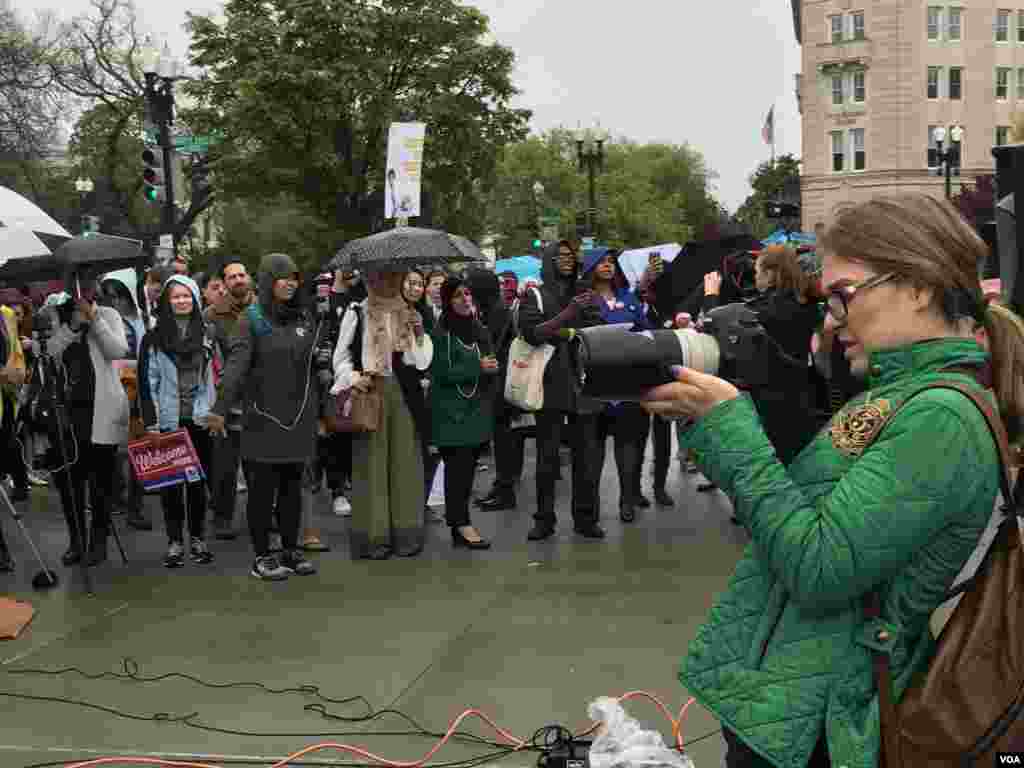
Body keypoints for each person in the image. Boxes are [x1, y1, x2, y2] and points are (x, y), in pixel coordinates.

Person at [641, 193, 1024, 768]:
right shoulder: (899, 396)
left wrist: (734, 433)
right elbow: (806, 499)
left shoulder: (939, 417)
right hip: (793, 705)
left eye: (844, 296)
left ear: (919, 286)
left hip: (822, 724)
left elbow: (820, 566)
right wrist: (717, 416)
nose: (832, 318)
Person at [210, 253, 321, 581]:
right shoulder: (252, 319)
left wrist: (321, 358)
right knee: (261, 492)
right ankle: (262, 556)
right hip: (262, 420)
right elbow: (235, 369)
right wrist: (219, 409)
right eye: (283, 277)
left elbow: (309, 365)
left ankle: (289, 548)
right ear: (269, 280)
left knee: (291, 490)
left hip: (297, 420)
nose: (289, 283)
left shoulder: (304, 317)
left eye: (294, 277)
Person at [331, 267, 433, 560]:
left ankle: (406, 536)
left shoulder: (410, 311)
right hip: (371, 392)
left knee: (406, 462)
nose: (385, 281)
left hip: (404, 394)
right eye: (379, 277)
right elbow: (341, 357)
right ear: (369, 280)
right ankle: (374, 538)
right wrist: (353, 378)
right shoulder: (357, 311)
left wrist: (419, 331)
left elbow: (421, 361)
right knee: (371, 464)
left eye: (391, 277)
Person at [517, 240, 606, 541]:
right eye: (561, 256)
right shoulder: (536, 295)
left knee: (586, 456)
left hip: (583, 384)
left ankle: (585, 518)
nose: (568, 260)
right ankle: (544, 519)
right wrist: (569, 315)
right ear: (549, 260)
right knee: (548, 458)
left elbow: (596, 329)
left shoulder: (585, 291)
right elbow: (533, 334)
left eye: (571, 256)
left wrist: (572, 327)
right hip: (550, 383)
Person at [46, 280, 130, 566]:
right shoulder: (60, 314)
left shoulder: (109, 314)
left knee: (101, 483)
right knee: (70, 483)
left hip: (103, 408)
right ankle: (76, 540)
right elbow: (51, 352)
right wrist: (72, 326)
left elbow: (117, 351)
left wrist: (94, 320)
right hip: (68, 413)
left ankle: (98, 539)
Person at [138, 275, 217, 568]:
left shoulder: (207, 335)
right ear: (166, 302)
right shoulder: (153, 339)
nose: (181, 301)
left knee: (197, 484)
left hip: (199, 420)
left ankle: (198, 538)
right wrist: (152, 424)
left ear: (195, 300)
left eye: (187, 296)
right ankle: (174, 542)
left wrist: (213, 412)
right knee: (171, 486)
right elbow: (148, 384)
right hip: (168, 422)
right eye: (175, 297)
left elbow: (214, 379)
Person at [579, 247, 652, 523]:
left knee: (627, 445)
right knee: (593, 450)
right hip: (594, 383)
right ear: (590, 267)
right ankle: (591, 506)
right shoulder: (584, 300)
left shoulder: (627, 297)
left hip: (626, 382)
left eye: (611, 262)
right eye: (602, 262)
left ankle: (627, 499)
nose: (608, 266)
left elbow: (645, 330)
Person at [429, 275, 497, 549]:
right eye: (458, 295)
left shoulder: (479, 329)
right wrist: (477, 368)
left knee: (468, 471)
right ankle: (461, 523)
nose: (465, 299)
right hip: (451, 413)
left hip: (476, 410)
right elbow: (441, 372)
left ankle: (460, 524)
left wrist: (490, 368)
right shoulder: (441, 332)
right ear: (448, 300)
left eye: (467, 294)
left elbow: (489, 361)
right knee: (457, 472)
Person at [205, 258, 254, 540]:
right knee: (224, 464)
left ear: (248, 278)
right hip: (226, 399)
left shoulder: (263, 309)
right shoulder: (212, 315)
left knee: (259, 464)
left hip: (258, 399)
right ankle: (222, 516)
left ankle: (263, 515)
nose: (237, 279)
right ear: (224, 284)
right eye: (231, 276)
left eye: (241, 274)